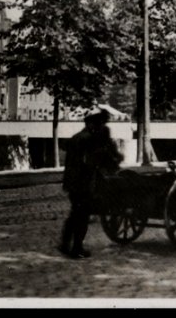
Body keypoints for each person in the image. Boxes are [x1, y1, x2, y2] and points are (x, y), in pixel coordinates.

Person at [59, 108, 123, 259]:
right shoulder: (89, 140)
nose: (102, 127)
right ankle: (77, 248)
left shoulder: (77, 137)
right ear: (92, 124)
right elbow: (93, 161)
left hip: (72, 182)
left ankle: (65, 244)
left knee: (75, 213)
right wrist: (113, 161)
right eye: (100, 123)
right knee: (82, 216)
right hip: (83, 184)